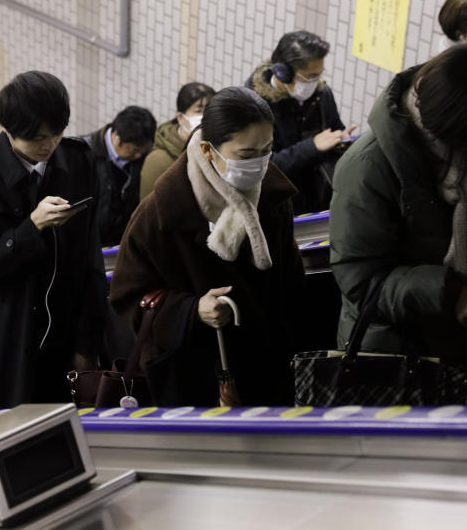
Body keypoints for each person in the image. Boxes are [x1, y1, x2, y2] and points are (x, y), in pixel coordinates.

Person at [329, 45, 467, 402]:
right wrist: (450, 294)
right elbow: (360, 280)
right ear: (454, 127)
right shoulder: (367, 168)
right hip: (401, 356)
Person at [110, 87, 305, 406]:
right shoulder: (161, 213)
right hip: (193, 378)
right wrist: (190, 310)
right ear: (208, 149)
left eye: (267, 150)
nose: (259, 164)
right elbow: (127, 294)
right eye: (246, 155)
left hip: (266, 368)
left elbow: (290, 282)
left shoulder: (272, 197)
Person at [0, 71, 108, 407]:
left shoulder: (79, 160)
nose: (48, 145)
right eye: (36, 138)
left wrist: (87, 343)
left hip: (66, 334)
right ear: (7, 129)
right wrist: (30, 227)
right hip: (7, 340)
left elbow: (90, 261)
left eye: (57, 133)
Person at [245, 30, 357, 214]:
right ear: (282, 73)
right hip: (279, 207)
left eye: (319, 75)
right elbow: (261, 167)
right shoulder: (252, 107)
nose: (315, 82)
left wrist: (340, 141)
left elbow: (334, 128)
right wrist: (312, 147)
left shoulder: (322, 95)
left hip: (318, 200)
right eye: (310, 76)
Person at [81, 105, 156, 246]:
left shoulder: (143, 157)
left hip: (121, 241)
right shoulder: (82, 155)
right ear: (117, 137)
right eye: (135, 150)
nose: (139, 155)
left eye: (143, 150)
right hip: (90, 244)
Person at [139, 82, 215, 200]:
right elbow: (148, 209)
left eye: (209, 110)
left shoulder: (214, 148)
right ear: (180, 118)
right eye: (199, 111)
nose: (205, 117)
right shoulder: (159, 161)